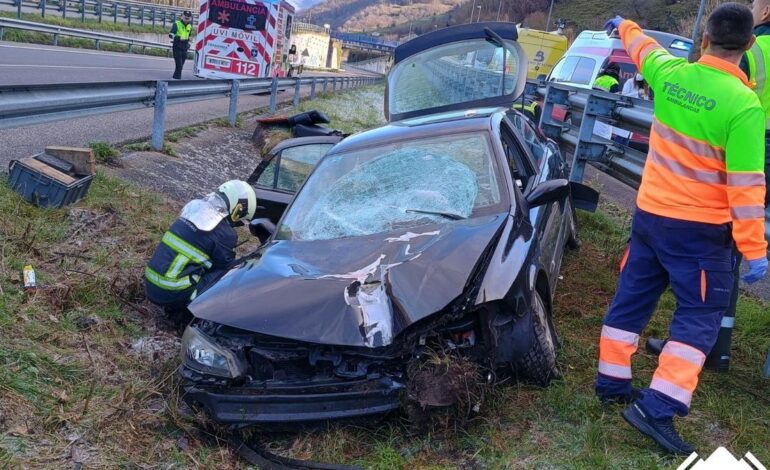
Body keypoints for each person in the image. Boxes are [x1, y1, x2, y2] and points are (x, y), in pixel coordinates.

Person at [597, 4, 767, 456]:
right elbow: (747, 187)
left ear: (705, 39)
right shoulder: (743, 104)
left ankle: (611, 382)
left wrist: (623, 24)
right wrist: (755, 250)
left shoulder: (672, 74)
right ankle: (658, 407)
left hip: (650, 216)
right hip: (700, 232)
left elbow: (643, 48)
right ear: (749, 46)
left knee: (632, 296)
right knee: (701, 315)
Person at [646, 0, 770, 371]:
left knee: (712, 260)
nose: (752, 4)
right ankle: (719, 347)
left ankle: (707, 346)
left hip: (744, 146)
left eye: (756, 1)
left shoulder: (755, 51)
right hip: (751, 147)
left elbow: (710, 94)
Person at [145, 180, 257, 321]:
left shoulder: (193, 209)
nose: (237, 225)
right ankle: (189, 316)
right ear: (238, 209)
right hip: (171, 293)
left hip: (151, 285)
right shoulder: (226, 233)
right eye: (240, 220)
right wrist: (250, 259)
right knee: (235, 270)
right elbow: (224, 268)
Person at [169, 11, 193, 80]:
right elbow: (171, 34)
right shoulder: (177, 24)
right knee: (179, 65)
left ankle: (174, 78)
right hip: (177, 46)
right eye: (185, 16)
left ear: (190, 18)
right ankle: (176, 80)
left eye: (188, 17)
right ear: (182, 16)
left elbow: (189, 36)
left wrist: (189, 43)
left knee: (181, 65)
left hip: (185, 47)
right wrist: (177, 38)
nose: (187, 17)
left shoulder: (189, 26)